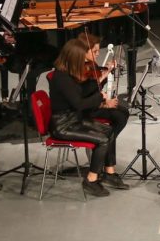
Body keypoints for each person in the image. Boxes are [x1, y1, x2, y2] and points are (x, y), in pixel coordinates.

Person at [48, 39, 129, 198]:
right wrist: (100, 97)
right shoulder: (62, 77)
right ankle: (91, 180)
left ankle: (108, 173)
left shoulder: (69, 73)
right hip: (64, 125)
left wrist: (103, 79)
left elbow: (82, 94)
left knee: (109, 131)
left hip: (74, 119)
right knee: (103, 139)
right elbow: (79, 103)